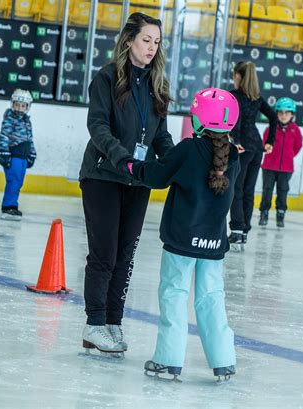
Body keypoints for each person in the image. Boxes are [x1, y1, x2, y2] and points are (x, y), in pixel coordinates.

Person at [126, 88, 240, 382]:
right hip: (214, 244)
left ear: (200, 118)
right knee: (212, 299)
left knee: (174, 296)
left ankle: (168, 360)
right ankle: (224, 361)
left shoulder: (189, 149)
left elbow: (155, 176)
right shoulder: (234, 157)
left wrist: (132, 166)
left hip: (181, 242)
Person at [79, 12, 174, 357]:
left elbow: (160, 136)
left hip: (138, 180)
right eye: (146, 40)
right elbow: (98, 126)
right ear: (129, 40)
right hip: (104, 174)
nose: (151, 48)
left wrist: (177, 161)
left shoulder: (157, 83)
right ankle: (94, 323)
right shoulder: (106, 78)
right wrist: (122, 157)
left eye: (157, 42)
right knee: (104, 254)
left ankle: (113, 322)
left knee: (125, 256)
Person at [228, 61, 278, 251]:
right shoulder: (256, 98)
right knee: (247, 190)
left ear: (239, 76)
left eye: (234, 75)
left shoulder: (234, 96)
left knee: (236, 189)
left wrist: (237, 140)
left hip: (243, 148)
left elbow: (237, 119)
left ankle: (237, 230)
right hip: (257, 148)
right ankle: (244, 231)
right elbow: (273, 117)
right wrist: (270, 142)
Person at [259, 97, 303, 228]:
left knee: (283, 191)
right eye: (281, 113)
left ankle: (280, 214)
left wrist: (288, 157)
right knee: (267, 190)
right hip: (269, 166)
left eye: (287, 113)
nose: (284, 116)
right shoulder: (270, 129)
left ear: (292, 115)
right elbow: (265, 143)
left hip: (286, 168)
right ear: (276, 113)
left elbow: (297, 146)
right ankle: (264, 213)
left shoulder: (295, 130)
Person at [0, 89, 36, 221]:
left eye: (23, 105)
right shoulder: (10, 119)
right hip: (13, 155)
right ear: (12, 104)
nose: (19, 108)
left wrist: (32, 154)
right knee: (13, 181)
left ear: (27, 107)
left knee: (19, 182)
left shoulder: (27, 121)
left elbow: (30, 139)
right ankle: (8, 206)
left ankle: (13, 205)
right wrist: (4, 153)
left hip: (23, 157)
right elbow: (4, 136)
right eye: (17, 104)